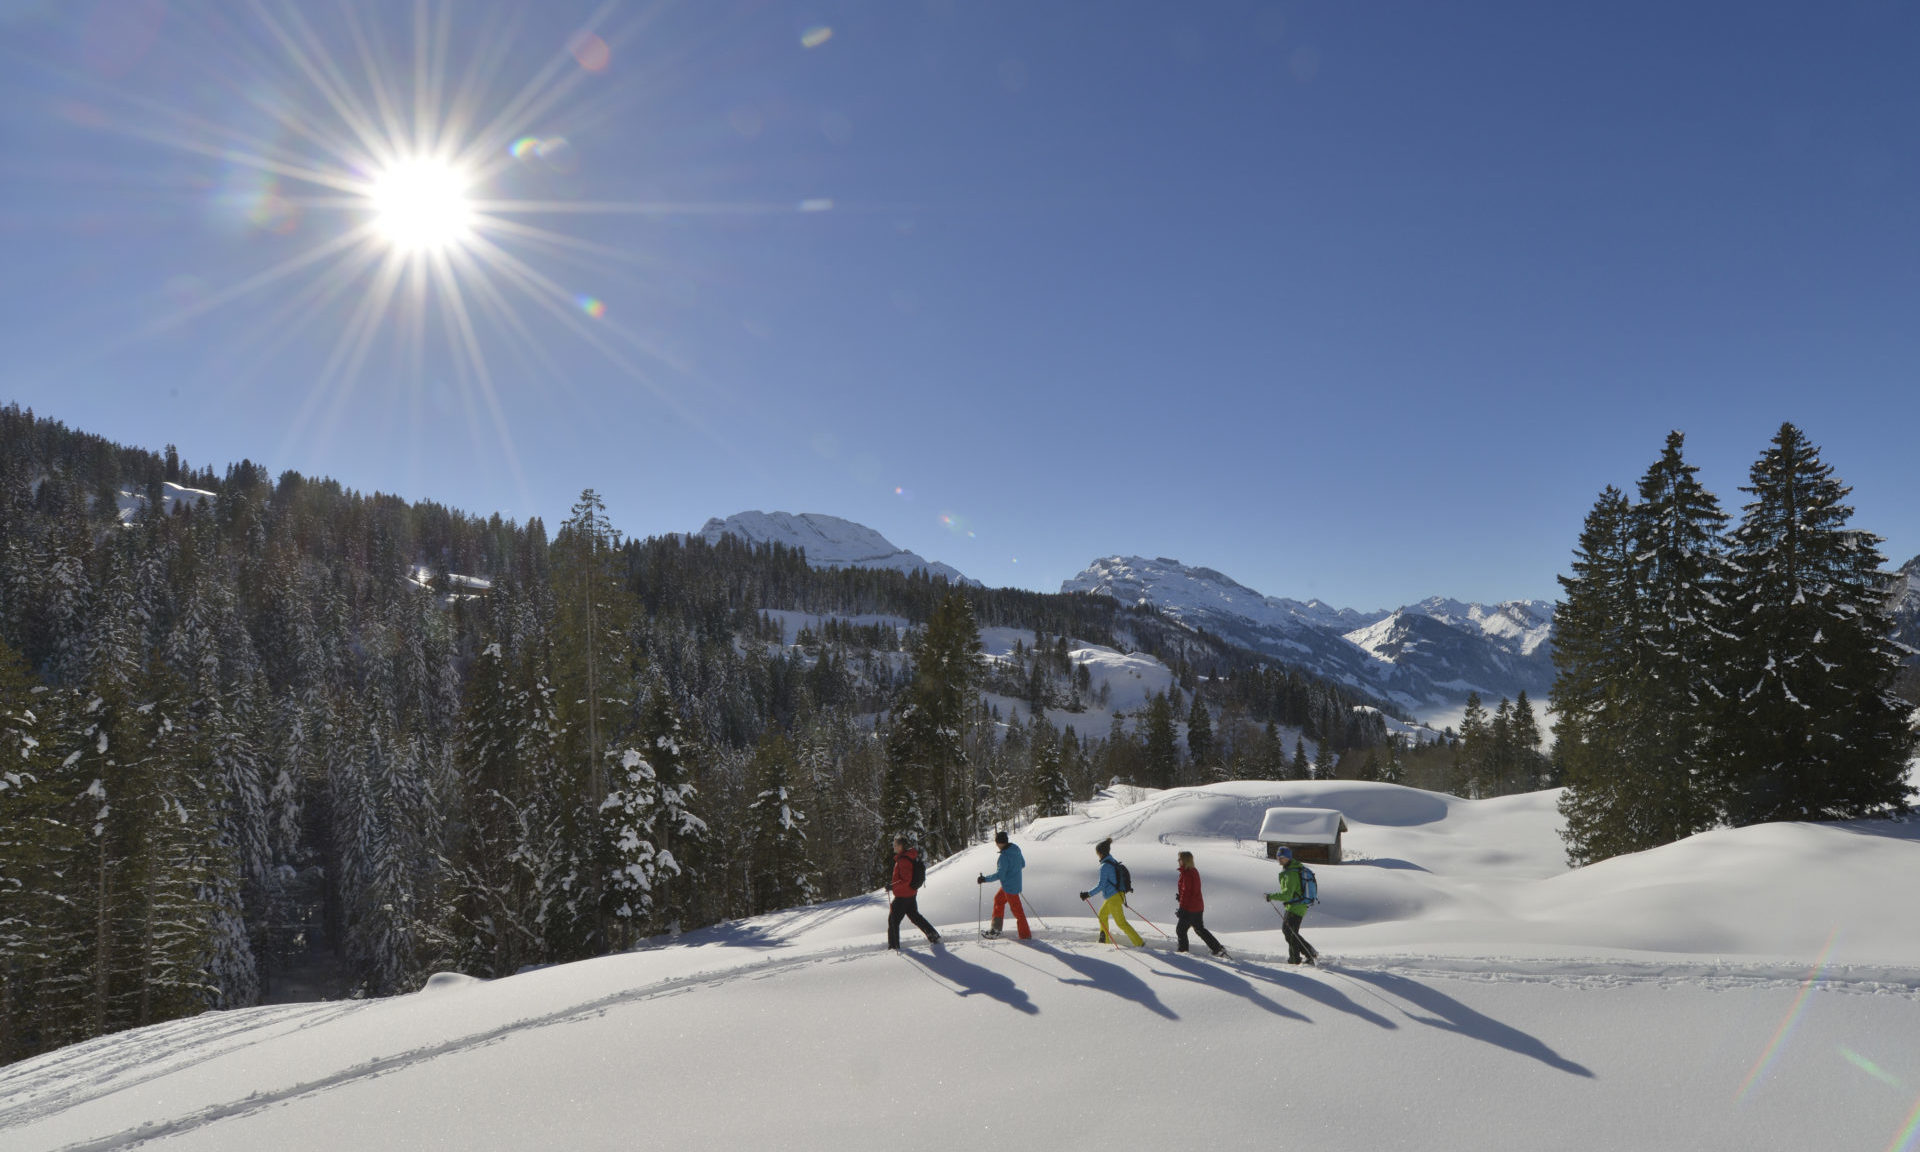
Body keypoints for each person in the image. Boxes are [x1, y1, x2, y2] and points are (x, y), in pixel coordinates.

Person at [1078, 838, 1143, 947]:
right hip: (1116, 895)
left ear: (1101, 852)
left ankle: (1139, 943)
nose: (1097, 855)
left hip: (1114, 897)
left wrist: (1088, 894)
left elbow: (1101, 886)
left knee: (1121, 923)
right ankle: (1104, 940)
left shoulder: (1105, 866)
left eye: (1097, 853)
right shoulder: (1113, 862)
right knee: (1102, 914)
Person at [1263, 846, 1319, 965]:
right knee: (1290, 932)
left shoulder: (1291, 874)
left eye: (1282, 857)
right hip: (1295, 905)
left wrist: (1271, 896)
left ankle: (1295, 959)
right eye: (1278, 856)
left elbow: (1287, 895)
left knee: (1290, 933)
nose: (1279, 859)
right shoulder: (1290, 870)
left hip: (1297, 906)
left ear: (1288, 858)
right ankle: (1309, 952)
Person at [887, 836, 940, 950]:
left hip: (903, 896)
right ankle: (933, 935)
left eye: (896, 844)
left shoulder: (903, 860)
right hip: (910, 894)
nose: (894, 846)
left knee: (893, 920)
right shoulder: (907, 857)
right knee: (915, 917)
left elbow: (906, 879)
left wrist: (892, 886)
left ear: (901, 846)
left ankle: (894, 947)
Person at [976, 830, 1031, 939]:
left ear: (1001, 843)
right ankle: (995, 929)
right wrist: (1013, 872)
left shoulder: (1004, 857)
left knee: (1018, 912)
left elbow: (1000, 875)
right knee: (998, 900)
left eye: (997, 843)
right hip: (1013, 885)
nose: (996, 845)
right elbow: (1022, 864)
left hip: (1010, 888)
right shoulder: (1015, 848)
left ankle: (1025, 936)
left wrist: (984, 879)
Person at [1174, 851, 1225, 957]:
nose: (1178, 861)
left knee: (1180, 930)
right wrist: (1181, 898)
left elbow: (1186, 893)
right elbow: (1191, 891)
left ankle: (1183, 952)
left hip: (1189, 909)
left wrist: (1182, 909)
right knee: (1199, 929)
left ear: (1184, 860)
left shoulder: (1187, 873)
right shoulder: (1193, 871)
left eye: (1179, 859)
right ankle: (1217, 948)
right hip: (1197, 907)